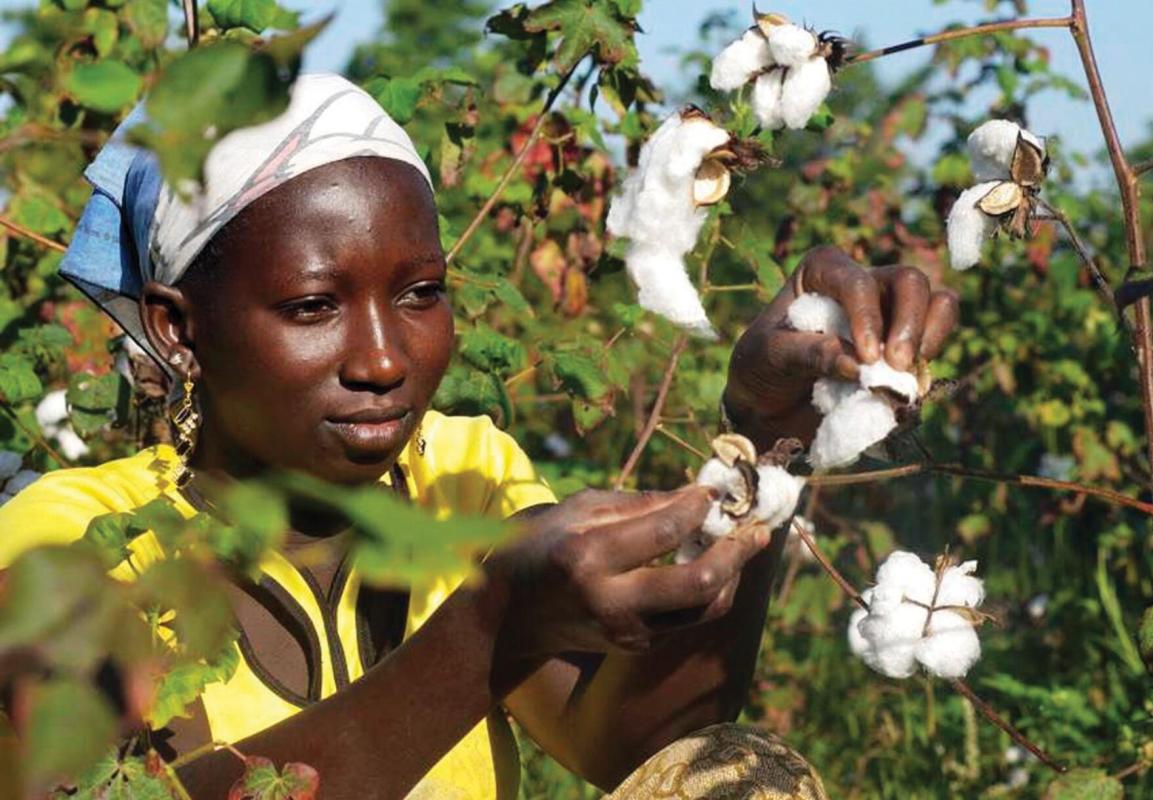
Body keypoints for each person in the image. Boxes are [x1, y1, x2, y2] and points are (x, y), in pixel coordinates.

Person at [0, 73, 958, 798]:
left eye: (420, 293)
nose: (382, 358)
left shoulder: (460, 476)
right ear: (179, 330)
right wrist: (490, 625)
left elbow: (625, 747)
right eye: (311, 305)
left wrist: (770, 433)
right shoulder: (77, 544)